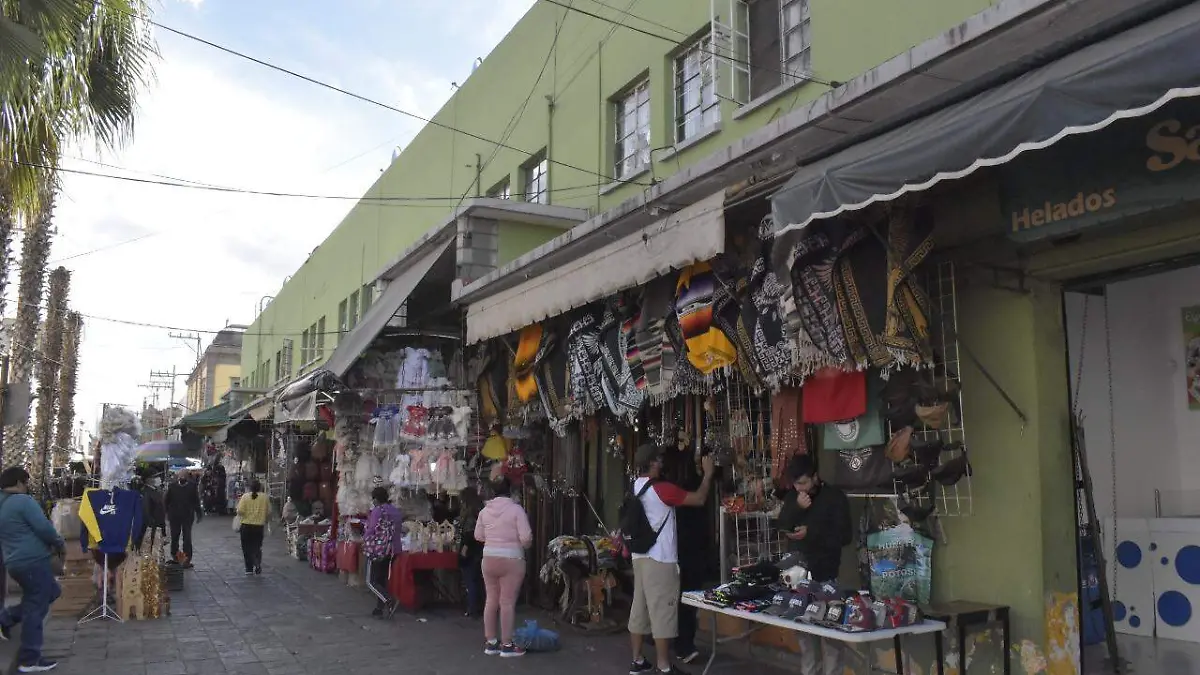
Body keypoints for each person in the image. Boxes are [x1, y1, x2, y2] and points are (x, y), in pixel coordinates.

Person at [629, 444, 714, 675]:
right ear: (653, 463)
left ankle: (637, 661)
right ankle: (664, 666)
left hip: (640, 558)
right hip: (661, 559)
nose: (662, 463)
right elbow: (698, 499)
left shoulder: (635, 486)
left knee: (640, 609)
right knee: (663, 613)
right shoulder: (663, 489)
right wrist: (708, 475)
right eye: (659, 460)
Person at [776, 454, 852, 675]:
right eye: (796, 484)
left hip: (826, 575)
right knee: (805, 638)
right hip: (799, 577)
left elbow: (845, 536)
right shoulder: (794, 497)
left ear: (815, 477)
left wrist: (812, 532)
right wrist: (797, 509)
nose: (801, 488)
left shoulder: (834, 498)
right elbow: (782, 525)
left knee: (830, 637)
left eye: (804, 483)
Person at [0, 466, 65, 673]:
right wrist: (59, 543)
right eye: (27, 483)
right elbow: (44, 528)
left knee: (50, 592)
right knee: (35, 607)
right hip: (32, 561)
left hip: (14, 562)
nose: (28, 487)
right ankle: (30, 658)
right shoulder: (23, 502)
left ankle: (5, 618)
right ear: (19, 482)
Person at [661, 450, 712, 664]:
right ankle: (684, 645)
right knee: (687, 598)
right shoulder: (683, 488)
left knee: (672, 599)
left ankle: (670, 642)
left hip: (670, 550)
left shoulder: (662, 486)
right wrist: (708, 475)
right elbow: (699, 500)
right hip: (690, 550)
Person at [474, 477, 532, 658]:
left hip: (489, 558)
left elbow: (478, 536)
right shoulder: (516, 510)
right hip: (512, 559)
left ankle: (491, 643)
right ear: (510, 492)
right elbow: (526, 538)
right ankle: (507, 645)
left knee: (491, 600)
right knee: (506, 602)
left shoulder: (484, 511)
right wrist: (521, 544)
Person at [363, 487, 401, 617]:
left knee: (371, 581)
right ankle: (379, 608)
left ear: (376, 499)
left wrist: (366, 540)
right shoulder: (396, 511)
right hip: (394, 550)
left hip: (379, 550)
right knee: (382, 578)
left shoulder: (377, 511)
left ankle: (388, 599)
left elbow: (372, 529)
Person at [456, 487, 485, 618]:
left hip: (471, 550)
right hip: (480, 550)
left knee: (470, 580)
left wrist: (464, 549)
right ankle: (478, 606)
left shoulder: (470, 514)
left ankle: (472, 607)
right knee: (477, 580)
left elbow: (469, 534)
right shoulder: (480, 511)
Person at [165, 469, 203, 567]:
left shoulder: (192, 486)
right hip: (174, 516)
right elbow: (166, 500)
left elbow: (196, 500)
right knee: (175, 537)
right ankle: (175, 557)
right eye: (180, 475)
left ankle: (187, 559)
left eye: (184, 475)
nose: (182, 477)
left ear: (187, 476)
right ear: (178, 476)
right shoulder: (172, 486)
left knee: (187, 537)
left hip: (187, 516)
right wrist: (165, 513)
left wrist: (199, 513)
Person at [236, 479, 269, 576]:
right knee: (257, 547)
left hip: (246, 526)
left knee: (246, 548)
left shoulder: (245, 497)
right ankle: (257, 562)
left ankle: (249, 568)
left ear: (249, 488)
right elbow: (269, 512)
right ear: (260, 487)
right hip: (259, 527)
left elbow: (240, 511)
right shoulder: (265, 497)